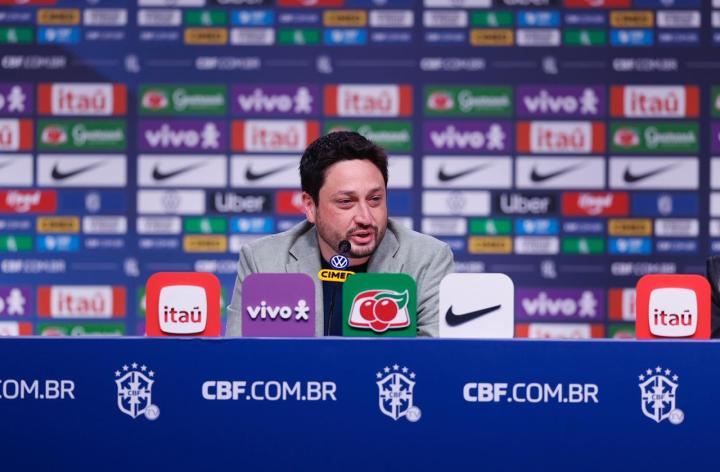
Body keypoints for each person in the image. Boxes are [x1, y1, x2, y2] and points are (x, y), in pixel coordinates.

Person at [226, 131, 454, 337]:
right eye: (346, 202)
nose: (365, 217)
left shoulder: (427, 259)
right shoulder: (263, 262)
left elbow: (434, 360)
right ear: (310, 206)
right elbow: (241, 359)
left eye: (375, 199)